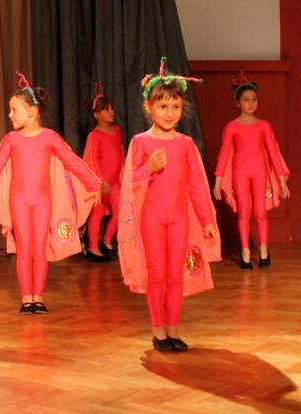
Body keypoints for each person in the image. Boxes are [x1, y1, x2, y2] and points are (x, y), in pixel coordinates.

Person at [0, 72, 102, 315]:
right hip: (18, 201)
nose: (10, 115)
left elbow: (72, 161)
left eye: (14, 110)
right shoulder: (11, 139)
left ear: (31, 111)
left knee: (39, 249)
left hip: (42, 201)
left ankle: (38, 298)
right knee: (24, 250)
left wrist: (94, 184)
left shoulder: (50, 137)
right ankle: (26, 298)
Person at [117, 57, 220, 352]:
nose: (170, 113)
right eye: (163, 106)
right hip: (151, 219)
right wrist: (148, 169)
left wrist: (207, 221)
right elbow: (128, 181)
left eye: (175, 106)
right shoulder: (140, 142)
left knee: (175, 275)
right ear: (149, 107)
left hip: (179, 219)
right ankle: (158, 331)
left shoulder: (186, 144)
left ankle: (173, 329)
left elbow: (197, 186)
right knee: (157, 274)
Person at [212, 70, 290, 270]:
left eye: (254, 99)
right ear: (237, 102)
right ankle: (245, 252)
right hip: (240, 173)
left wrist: (281, 180)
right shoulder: (232, 127)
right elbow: (224, 154)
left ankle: (263, 250)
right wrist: (218, 181)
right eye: (246, 100)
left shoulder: (264, 126)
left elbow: (273, 153)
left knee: (260, 212)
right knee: (244, 212)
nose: (251, 103)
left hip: (260, 172)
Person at [82, 82, 125, 262]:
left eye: (112, 108)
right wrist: (100, 181)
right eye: (107, 109)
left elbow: (120, 154)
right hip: (101, 185)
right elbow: (93, 160)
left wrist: (123, 176)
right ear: (97, 115)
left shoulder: (116, 131)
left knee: (121, 212)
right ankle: (93, 246)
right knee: (98, 213)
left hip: (115, 182)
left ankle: (106, 240)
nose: (111, 111)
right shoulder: (95, 135)